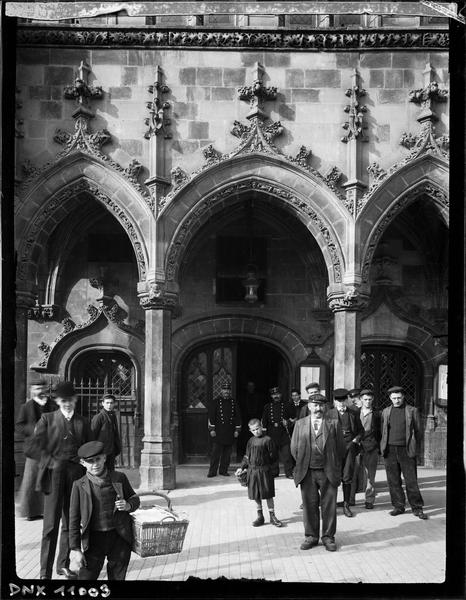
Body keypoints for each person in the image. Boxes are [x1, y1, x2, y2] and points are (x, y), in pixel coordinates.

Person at [34, 381, 93, 579]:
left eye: (70, 400)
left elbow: (89, 447)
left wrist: (84, 461)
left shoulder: (83, 422)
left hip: (75, 477)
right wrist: (51, 459)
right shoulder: (47, 419)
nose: (67, 403)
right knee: (50, 525)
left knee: (71, 524)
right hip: (54, 477)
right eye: (63, 400)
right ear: (58, 401)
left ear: (75, 400)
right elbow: (36, 447)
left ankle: (63, 565)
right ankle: (45, 573)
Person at [69, 441, 140, 580]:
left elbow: (135, 499)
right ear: (82, 463)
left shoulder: (119, 478)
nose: (95, 464)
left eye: (98, 459)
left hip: (119, 538)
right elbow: (73, 520)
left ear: (105, 458)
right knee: (86, 577)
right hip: (94, 541)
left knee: (117, 577)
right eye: (90, 461)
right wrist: (75, 549)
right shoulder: (78, 486)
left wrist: (128, 505)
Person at [290, 393, 346, 552]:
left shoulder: (333, 423)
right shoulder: (300, 424)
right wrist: (304, 462)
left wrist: (333, 464)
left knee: (329, 506)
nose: (318, 408)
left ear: (325, 407)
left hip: (328, 471)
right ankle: (311, 536)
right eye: (315, 405)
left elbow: (341, 449)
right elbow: (294, 449)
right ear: (309, 406)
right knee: (309, 505)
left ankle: (328, 537)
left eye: (321, 405)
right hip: (307, 472)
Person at [380, 386, 427, 519]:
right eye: (394, 398)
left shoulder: (412, 411)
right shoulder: (385, 412)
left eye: (399, 397)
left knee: (411, 480)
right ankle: (398, 506)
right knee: (393, 480)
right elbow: (382, 431)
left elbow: (418, 431)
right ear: (390, 398)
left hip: (406, 450)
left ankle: (417, 508)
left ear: (403, 397)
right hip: (390, 450)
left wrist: (413, 445)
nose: (397, 400)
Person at [15, 380, 56, 520]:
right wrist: (33, 429)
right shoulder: (26, 407)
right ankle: (30, 512)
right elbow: (19, 426)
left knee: (48, 480)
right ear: (32, 390)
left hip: (49, 448)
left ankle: (47, 511)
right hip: (33, 450)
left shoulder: (52, 405)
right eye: (37, 388)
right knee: (31, 480)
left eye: (42, 387)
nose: (40, 390)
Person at [235, 418, 282, 528]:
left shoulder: (268, 440)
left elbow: (274, 457)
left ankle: (272, 516)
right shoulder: (250, 441)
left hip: (265, 471)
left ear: (261, 427)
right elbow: (247, 456)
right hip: (253, 471)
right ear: (250, 430)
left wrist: (271, 470)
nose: (256, 431)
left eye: (257, 428)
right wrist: (241, 468)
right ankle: (260, 516)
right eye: (253, 430)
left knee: (268, 494)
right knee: (256, 494)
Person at [333, 388, 363, 517]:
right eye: (338, 401)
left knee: (347, 477)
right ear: (334, 402)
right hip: (334, 450)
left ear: (347, 400)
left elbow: (361, 431)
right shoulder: (329, 414)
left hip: (349, 447)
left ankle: (346, 504)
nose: (340, 404)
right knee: (332, 477)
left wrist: (356, 440)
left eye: (343, 401)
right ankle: (331, 504)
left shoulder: (354, 412)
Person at [207, 382, 241, 477]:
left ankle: (223, 470)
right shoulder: (216, 402)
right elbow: (211, 416)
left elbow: (238, 417)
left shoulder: (233, 402)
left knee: (227, 454)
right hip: (218, 432)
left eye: (228, 390)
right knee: (215, 454)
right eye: (224, 390)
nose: (226, 391)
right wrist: (212, 429)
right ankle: (212, 471)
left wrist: (237, 430)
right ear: (221, 391)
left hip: (230, 431)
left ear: (230, 391)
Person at [261, 387, 294, 478]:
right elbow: (264, 421)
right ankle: (274, 472)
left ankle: (289, 473)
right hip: (272, 432)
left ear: (281, 395)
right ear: (271, 396)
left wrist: (288, 422)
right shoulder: (267, 407)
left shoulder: (287, 405)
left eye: (278, 394)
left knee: (287, 454)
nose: (276, 396)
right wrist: (264, 435)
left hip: (283, 432)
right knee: (273, 454)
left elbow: (293, 418)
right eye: (274, 395)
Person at [357, 389, 382, 509]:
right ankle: (350, 499)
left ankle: (369, 500)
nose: (367, 402)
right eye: (365, 399)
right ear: (361, 399)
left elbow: (381, 431)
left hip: (371, 446)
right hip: (357, 446)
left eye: (370, 399)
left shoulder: (377, 414)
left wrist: (378, 445)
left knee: (370, 475)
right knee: (352, 473)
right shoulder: (355, 412)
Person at [91, 394, 122, 471]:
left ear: (114, 404)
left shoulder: (113, 416)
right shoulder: (99, 417)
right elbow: (92, 436)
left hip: (111, 451)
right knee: (102, 473)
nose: (109, 405)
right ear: (102, 403)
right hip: (101, 452)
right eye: (107, 403)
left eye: (111, 403)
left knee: (110, 473)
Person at [236, 381, 263, 461]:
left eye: (252, 386)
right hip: (245, 420)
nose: (250, 388)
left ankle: (256, 454)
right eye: (249, 386)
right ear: (247, 387)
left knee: (256, 436)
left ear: (254, 387)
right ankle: (245, 454)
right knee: (245, 438)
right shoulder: (242, 397)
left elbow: (260, 408)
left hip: (256, 420)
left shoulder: (259, 396)